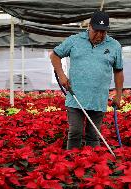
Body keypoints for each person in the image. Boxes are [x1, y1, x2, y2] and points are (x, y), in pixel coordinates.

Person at [50, 10, 124, 150]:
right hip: (75, 97)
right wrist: (62, 75)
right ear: (89, 26)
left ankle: (92, 166)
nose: (100, 35)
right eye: (96, 31)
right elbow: (55, 55)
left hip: (98, 98)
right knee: (75, 132)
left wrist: (119, 95)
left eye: (103, 32)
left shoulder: (114, 46)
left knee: (93, 135)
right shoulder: (74, 40)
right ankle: (71, 163)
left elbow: (118, 71)